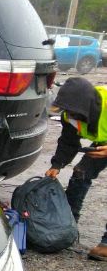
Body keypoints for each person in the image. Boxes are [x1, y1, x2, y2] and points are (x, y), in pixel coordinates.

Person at [45, 77, 107, 261]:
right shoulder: (70, 115)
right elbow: (68, 142)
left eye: (74, 112)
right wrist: (57, 165)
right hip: (102, 145)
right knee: (81, 173)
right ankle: (68, 226)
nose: (70, 116)